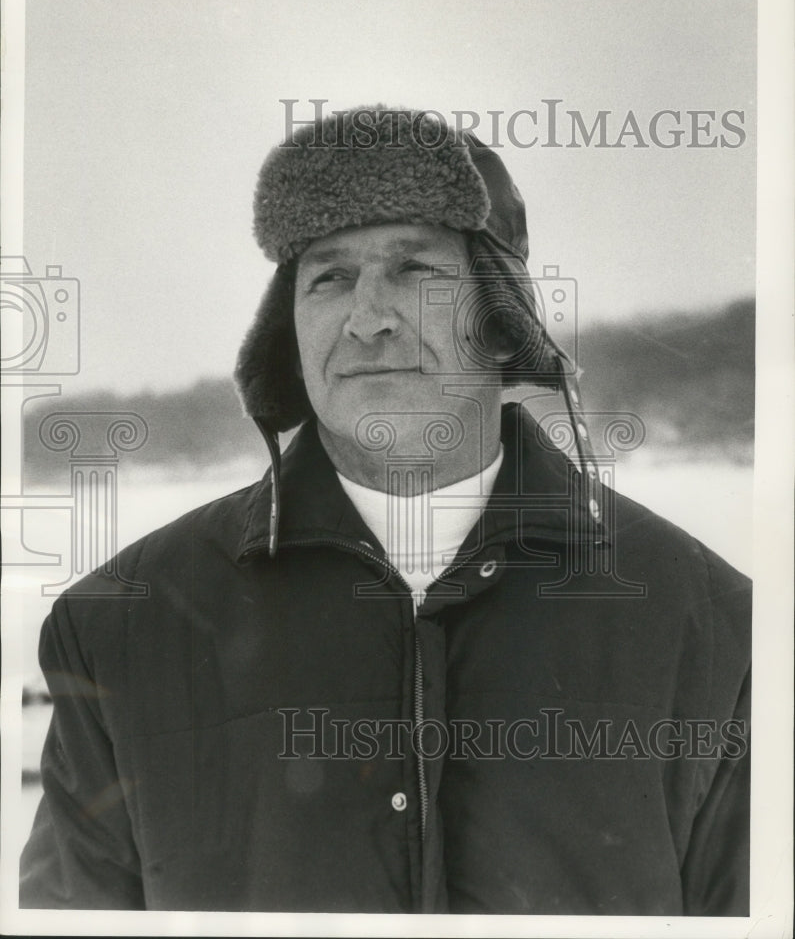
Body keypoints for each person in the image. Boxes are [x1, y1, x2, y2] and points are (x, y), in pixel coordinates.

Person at [20, 106, 751, 915]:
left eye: (414, 269)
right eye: (328, 277)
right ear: (288, 333)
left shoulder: (711, 624)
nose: (367, 318)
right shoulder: (121, 627)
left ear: (503, 320)